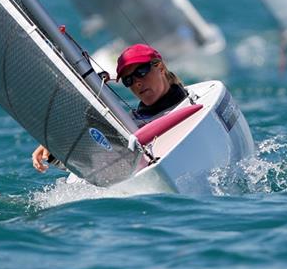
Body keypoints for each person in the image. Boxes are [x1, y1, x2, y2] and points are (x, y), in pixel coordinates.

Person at [31, 43, 188, 173]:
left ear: (160, 67)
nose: (137, 83)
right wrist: (55, 151)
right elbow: (96, 162)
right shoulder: (128, 124)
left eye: (141, 71)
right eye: (128, 80)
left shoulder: (196, 102)